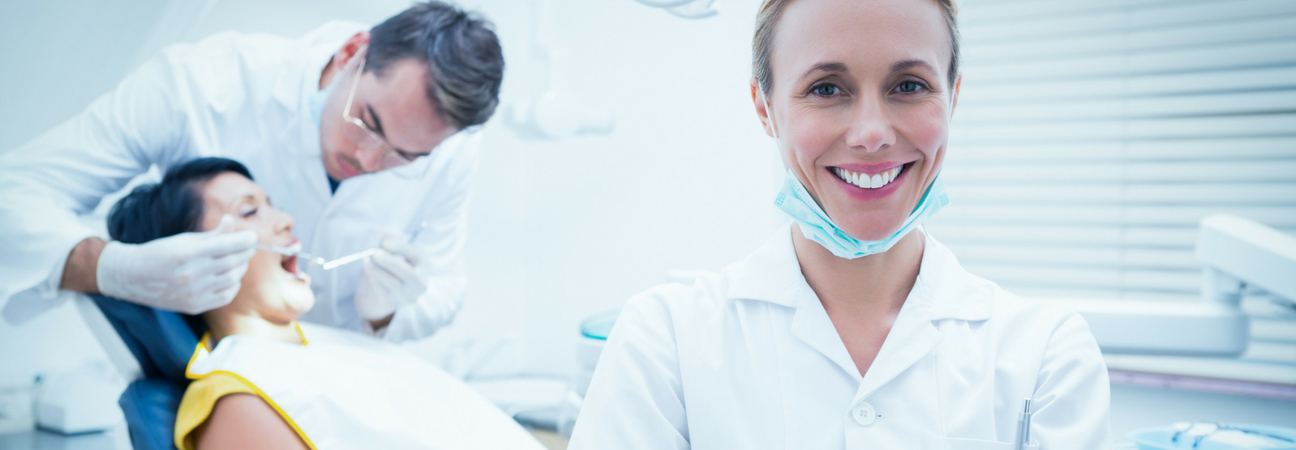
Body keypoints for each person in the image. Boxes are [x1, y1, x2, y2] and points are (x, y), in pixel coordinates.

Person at [568, 0, 1114, 448]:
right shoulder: (664, 344)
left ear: (954, 98)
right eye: (827, 89)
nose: (871, 133)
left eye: (909, 86)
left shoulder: (1045, 356)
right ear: (765, 108)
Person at [0, 1, 504, 342]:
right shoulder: (201, 84)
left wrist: (388, 310)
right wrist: (116, 269)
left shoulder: (451, 151)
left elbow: (442, 285)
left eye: (404, 157)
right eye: (366, 124)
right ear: (352, 53)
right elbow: (13, 195)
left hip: (341, 378)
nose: (368, 163)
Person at [104, 157, 545, 450]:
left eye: (270, 204)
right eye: (249, 212)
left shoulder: (331, 348)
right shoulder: (238, 400)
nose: (285, 219)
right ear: (189, 266)